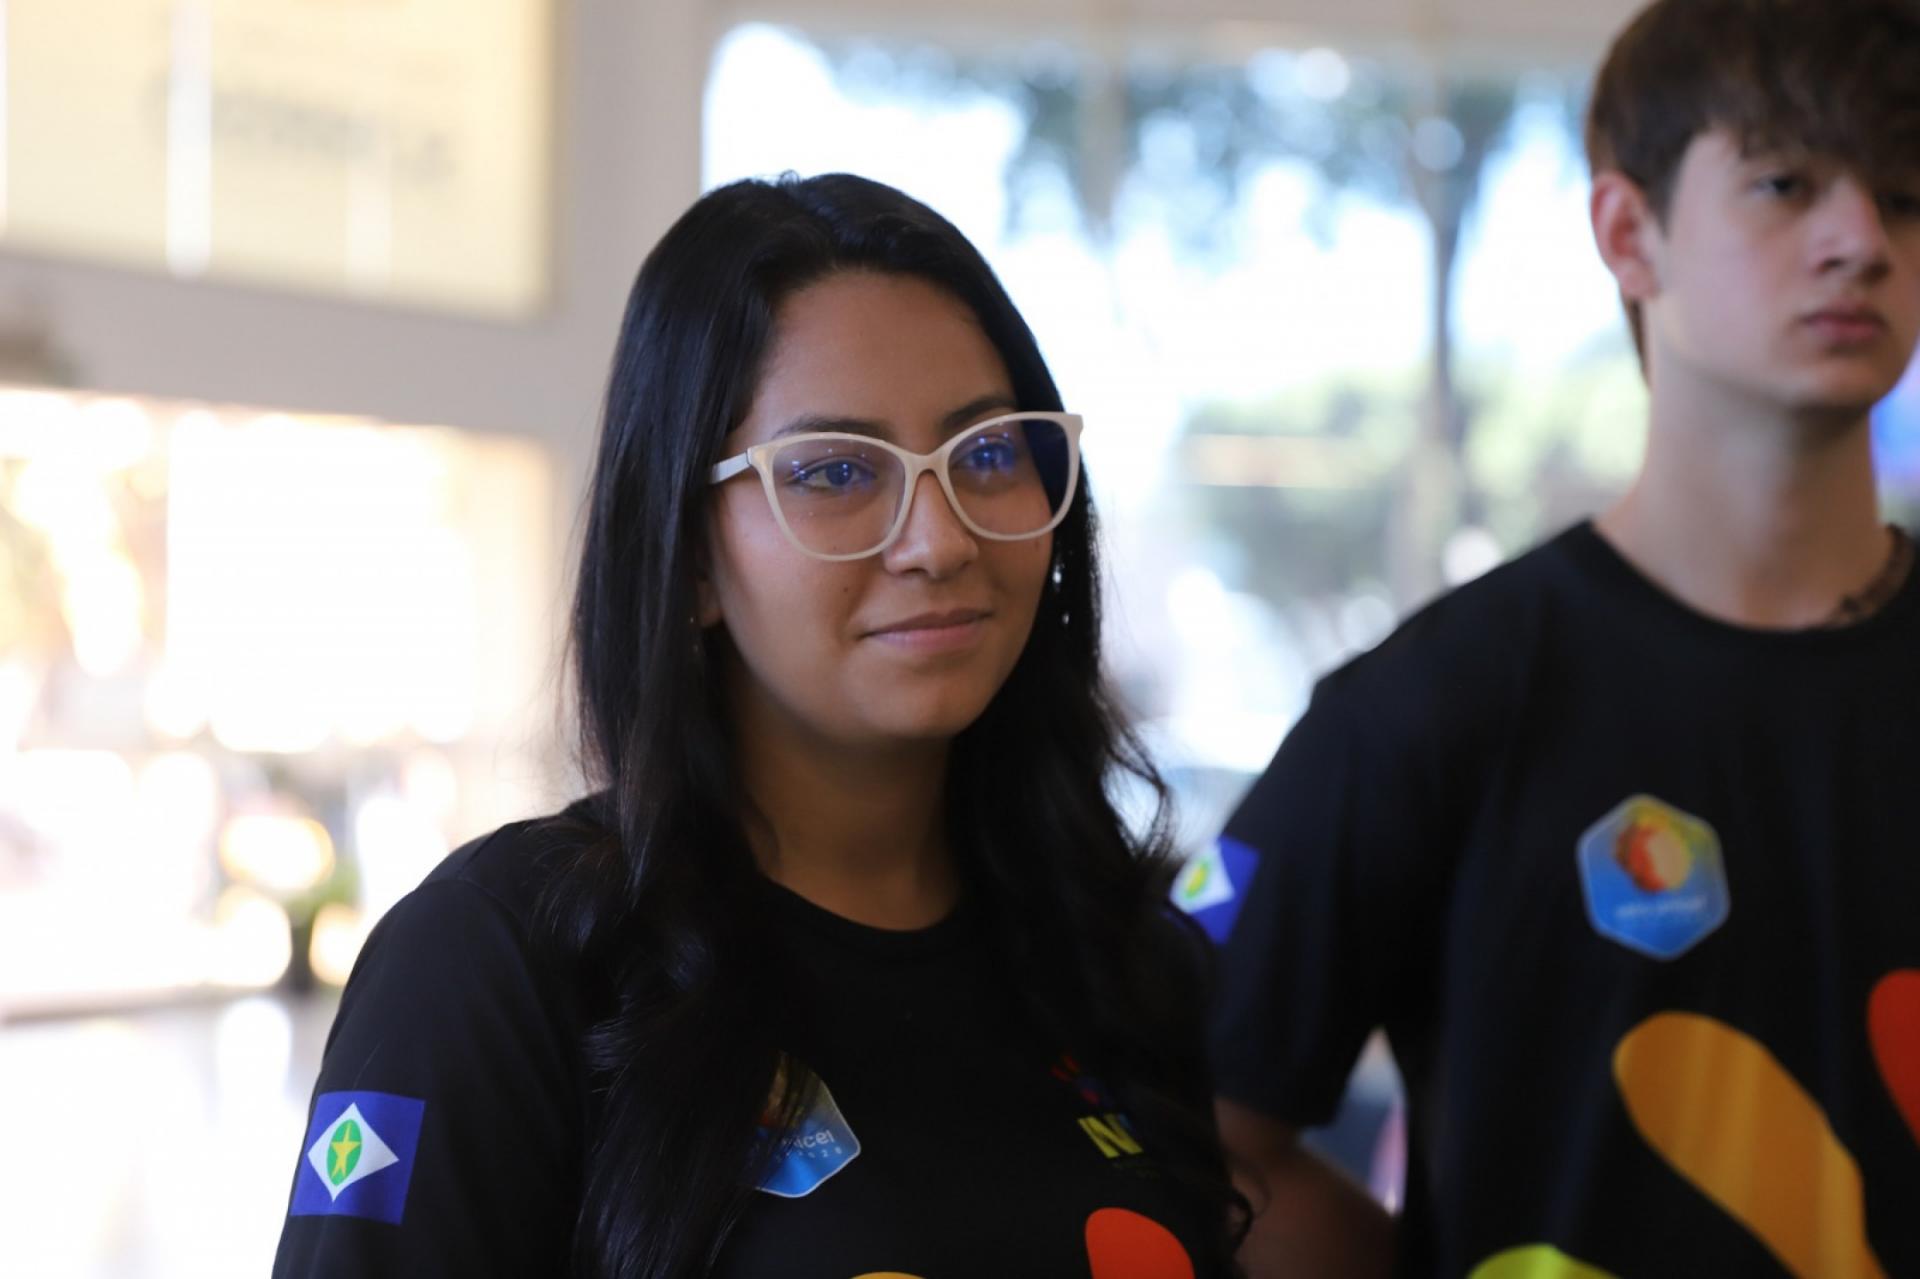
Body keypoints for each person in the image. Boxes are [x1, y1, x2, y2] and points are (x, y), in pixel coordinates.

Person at [271, 174, 1242, 1278]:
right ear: (688, 557)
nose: (939, 540)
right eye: (835, 471)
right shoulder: (501, 965)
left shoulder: (1116, 956)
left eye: (985, 455)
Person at [1198, 1, 1920, 1276]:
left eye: (1905, 195)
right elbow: (1188, 1130)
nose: (1861, 239)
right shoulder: (1435, 704)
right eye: (1786, 183)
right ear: (1629, 233)